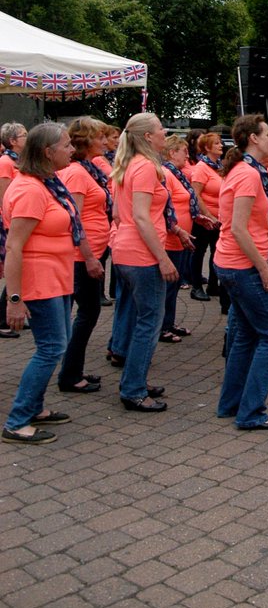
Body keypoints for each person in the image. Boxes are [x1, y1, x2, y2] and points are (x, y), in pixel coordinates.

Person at [2, 124, 81, 443]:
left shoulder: (47, 184)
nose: (72, 150)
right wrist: (15, 298)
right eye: (66, 145)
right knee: (51, 348)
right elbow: (13, 246)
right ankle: (17, 420)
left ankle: (33, 408)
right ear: (47, 152)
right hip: (40, 281)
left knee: (54, 346)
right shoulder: (31, 190)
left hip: (56, 278)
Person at [215, 115, 268, 430]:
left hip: (234, 264)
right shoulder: (247, 175)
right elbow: (238, 229)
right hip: (242, 266)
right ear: (253, 139)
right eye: (267, 134)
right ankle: (251, 412)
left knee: (245, 335)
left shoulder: (250, 171)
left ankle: (231, 405)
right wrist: (265, 267)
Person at [111, 113, 184, 412]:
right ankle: (134, 389)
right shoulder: (143, 168)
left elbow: (120, 212)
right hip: (141, 254)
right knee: (149, 323)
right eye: (160, 130)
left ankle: (135, 378)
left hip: (127, 251)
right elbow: (141, 216)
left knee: (139, 319)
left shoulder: (129, 166)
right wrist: (163, 258)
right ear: (147, 137)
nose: (164, 133)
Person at [56, 118, 112, 392]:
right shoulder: (78, 173)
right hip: (82, 256)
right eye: (100, 137)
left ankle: (73, 369)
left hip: (91, 252)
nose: (105, 142)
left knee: (87, 313)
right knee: (87, 312)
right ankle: (70, 375)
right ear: (87, 141)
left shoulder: (87, 169)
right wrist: (89, 257)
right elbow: (74, 219)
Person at [160, 135, 198, 343]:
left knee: (174, 285)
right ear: (172, 152)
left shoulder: (178, 174)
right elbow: (166, 207)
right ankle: (163, 325)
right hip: (171, 238)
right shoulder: (167, 174)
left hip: (180, 238)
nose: (187, 154)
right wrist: (176, 229)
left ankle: (169, 322)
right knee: (168, 285)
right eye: (184, 151)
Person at [0, 121, 28, 338]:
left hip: (16, 222)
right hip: (10, 223)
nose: (27, 138)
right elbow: (5, 196)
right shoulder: (5, 162)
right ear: (12, 141)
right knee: (13, 267)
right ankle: (3, 318)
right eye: (24, 135)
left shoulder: (19, 162)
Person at [189, 132, 223, 301]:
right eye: (216, 143)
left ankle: (213, 283)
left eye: (220, 142)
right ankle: (196, 287)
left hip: (219, 219)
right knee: (199, 251)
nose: (221, 145)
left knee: (216, 251)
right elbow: (195, 194)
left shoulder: (219, 166)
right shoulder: (201, 168)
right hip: (205, 219)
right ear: (207, 148)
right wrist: (208, 215)